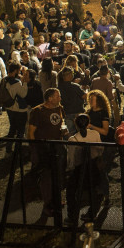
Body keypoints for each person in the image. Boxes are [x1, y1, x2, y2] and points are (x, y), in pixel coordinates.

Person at [27, 88, 67, 222]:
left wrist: (63, 132)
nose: (60, 98)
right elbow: (31, 131)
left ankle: (56, 198)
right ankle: (47, 204)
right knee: (46, 176)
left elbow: (61, 123)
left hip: (58, 146)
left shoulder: (59, 108)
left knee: (58, 174)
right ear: (50, 98)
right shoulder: (38, 111)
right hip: (43, 148)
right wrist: (34, 148)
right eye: (58, 96)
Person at [65, 113, 103, 227]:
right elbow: (100, 149)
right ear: (88, 123)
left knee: (71, 192)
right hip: (93, 166)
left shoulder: (73, 139)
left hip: (79, 169)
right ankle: (92, 213)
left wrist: (69, 169)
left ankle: (72, 216)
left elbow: (71, 159)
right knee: (95, 190)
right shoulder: (95, 133)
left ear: (76, 125)